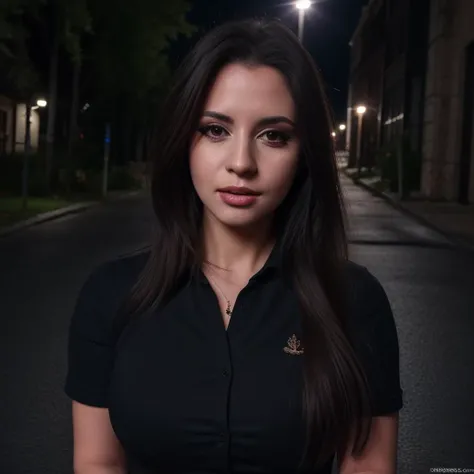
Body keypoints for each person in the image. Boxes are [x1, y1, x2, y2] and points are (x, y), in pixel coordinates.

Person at [65, 18, 404, 474]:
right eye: (215, 130)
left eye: (274, 136)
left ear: (304, 154)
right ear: (183, 141)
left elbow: (368, 467)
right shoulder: (110, 296)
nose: (241, 163)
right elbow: (97, 464)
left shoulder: (355, 301)